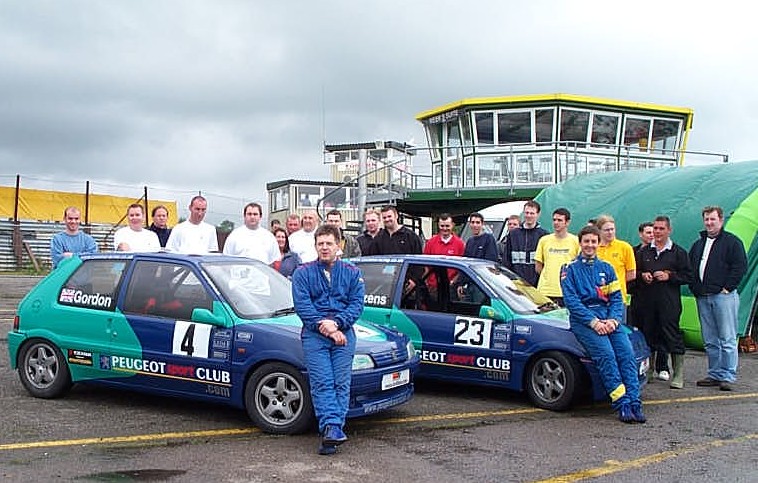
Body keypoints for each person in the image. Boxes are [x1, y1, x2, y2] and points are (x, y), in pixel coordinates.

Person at [291, 224, 365, 455]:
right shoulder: (302, 273)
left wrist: (340, 323)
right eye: (320, 243)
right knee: (322, 382)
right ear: (315, 246)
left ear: (338, 245)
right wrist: (330, 330)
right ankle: (331, 428)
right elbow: (303, 307)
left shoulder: (352, 273)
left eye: (329, 243)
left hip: (344, 332)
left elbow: (357, 304)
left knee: (341, 383)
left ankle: (332, 430)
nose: (324, 248)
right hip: (316, 335)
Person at [560, 225, 646, 424]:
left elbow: (617, 298)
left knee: (626, 354)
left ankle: (635, 402)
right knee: (607, 356)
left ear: (598, 243)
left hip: (609, 319)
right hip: (584, 321)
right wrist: (593, 322)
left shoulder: (607, 268)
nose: (590, 245)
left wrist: (614, 320)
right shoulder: (569, 269)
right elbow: (572, 302)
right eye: (586, 241)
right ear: (580, 243)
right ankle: (622, 403)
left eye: (593, 241)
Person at [689, 206, 747, 391]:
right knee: (710, 338)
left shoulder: (732, 242)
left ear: (721, 220)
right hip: (703, 297)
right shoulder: (698, 245)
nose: (709, 223)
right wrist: (695, 288)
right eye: (706, 219)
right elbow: (691, 268)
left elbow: (740, 266)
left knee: (727, 337)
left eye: (712, 219)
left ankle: (728, 375)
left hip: (723, 297)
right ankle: (715, 373)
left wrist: (727, 287)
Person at [635, 215, 693, 389]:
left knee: (672, 334)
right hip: (648, 302)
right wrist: (642, 276)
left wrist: (670, 276)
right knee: (648, 335)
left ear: (669, 230)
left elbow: (688, 276)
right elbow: (634, 273)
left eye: (661, 228)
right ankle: (649, 370)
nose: (657, 232)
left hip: (669, 302)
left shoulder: (678, 252)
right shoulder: (643, 252)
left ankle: (678, 374)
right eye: (655, 228)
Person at [534, 208, 580, 306]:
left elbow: (579, 267)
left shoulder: (575, 241)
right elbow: (538, 266)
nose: (556, 223)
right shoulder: (544, 240)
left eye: (559, 220)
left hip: (567, 292)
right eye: (554, 220)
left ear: (567, 222)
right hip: (545, 291)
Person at [595, 215, 636, 318]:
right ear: (599, 231)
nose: (610, 232)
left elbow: (631, 274)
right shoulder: (593, 248)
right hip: (596, 300)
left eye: (612, 229)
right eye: (606, 230)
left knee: (618, 329)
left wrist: (615, 284)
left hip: (618, 300)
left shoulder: (624, 247)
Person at [504, 200, 548, 286]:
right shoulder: (513, 234)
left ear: (538, 214)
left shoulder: (544, 235)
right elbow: (506, 260)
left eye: (532, 213)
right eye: (527, 213)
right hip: (516, 284)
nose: (529, 216)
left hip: (537, 284)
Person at [424, 213, 465, 297]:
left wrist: (453, 281)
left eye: (447, 226)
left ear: (452, 225)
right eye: (442, 226)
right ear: (438, 225)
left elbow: (462, 268)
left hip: (451, 288)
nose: (444, 228)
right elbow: (425, 265)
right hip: (433, 288)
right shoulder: (431, 243)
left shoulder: (460, 244)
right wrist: (425, 282)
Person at [628, 221, 654, 329]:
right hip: (637, 295)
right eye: (648, 233)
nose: (652, 235)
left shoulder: (660, 251)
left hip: (653, 296)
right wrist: (641, 275)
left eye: (653, 233)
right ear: (640, 234)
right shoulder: (632, 252)